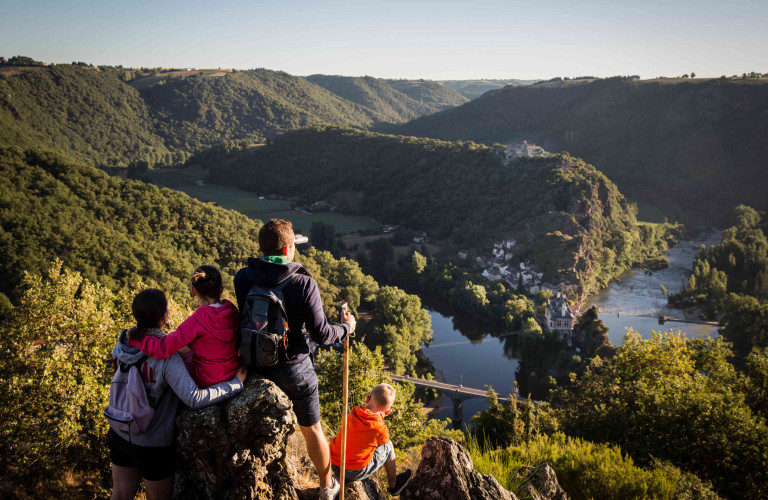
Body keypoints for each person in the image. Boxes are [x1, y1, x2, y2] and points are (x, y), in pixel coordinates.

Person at [234, 218, 356, 500]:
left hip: (254, 366)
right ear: (288, 249)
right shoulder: (303, 283)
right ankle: (327, 487)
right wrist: (347, 327)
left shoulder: (243, 278)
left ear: (262, 247)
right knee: (312, 428)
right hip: (294, 369)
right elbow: (323, 335)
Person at [108, 288, 246, 500]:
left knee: (119, 495)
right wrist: (235, 384)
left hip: (119, 431)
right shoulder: (167, 358)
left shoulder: (122, 341)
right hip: (152, 444)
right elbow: (194, 398)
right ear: (165, 317)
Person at [129, 265, 239, 388]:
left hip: (208, 379)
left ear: (193, 291)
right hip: (233, 371)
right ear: (221, 289)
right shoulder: (231, 310)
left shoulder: (198, 320)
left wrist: (136, 339)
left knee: (177, 356)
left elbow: (163, 349)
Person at [328, 384, 412, 496]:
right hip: (354, 472)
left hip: (334, 463)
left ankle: (337, 481)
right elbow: (383, 442)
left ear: (367, 398)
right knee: (388, 447)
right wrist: (380, 417)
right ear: (388, 410)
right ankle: (394, 485)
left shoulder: (352, 412)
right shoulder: (380, 427)